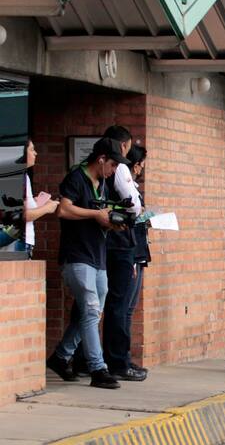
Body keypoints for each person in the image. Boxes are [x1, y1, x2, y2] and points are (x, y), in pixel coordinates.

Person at [46, 137, 130, 390]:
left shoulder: (102, 183)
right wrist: (96, 214)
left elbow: (99, 216)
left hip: (98, 256)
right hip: (77, 256)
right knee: (92, 310)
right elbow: (63, 210)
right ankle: (98, 368)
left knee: (91, 312)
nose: (114, 171)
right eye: (113, 165)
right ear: (101, 159)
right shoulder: (75, 178)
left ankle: (61, 357)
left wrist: (112, 222)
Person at [100, 126, 147, 381]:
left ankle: (95, 358)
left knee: (106, 304)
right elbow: (134, 205)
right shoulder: (120, 168)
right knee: (119, 303)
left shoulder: (98, 170)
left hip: (108, 242)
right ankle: (118, 361)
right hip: (119, 243)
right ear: (125, 145)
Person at [127, 145, 150, 376]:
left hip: (139, 252)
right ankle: (121, 359)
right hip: (131, 252)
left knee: (130, 308)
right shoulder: (124, 187)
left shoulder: (133, 187)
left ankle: (125, 357)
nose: (142, 169)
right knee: (124, 309)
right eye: (142, 164)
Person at [20, 139, 60, 256]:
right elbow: (24, 215)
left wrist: (34, 202)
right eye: (32, 149)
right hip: (20, 241)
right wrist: (48, 208)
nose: (35, 153)